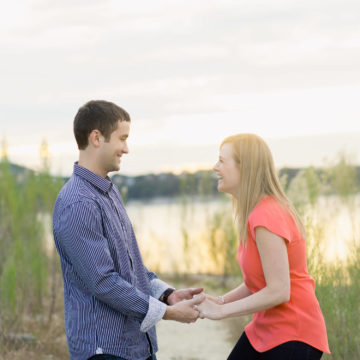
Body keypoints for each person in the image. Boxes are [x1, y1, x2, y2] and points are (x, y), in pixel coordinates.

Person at [52, 100, 204, 360]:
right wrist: (166, 313)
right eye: (122, 139)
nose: (127, 148)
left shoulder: (109, 192)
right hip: (104, 350)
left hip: (135, 345)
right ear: (97, 138)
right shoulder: (77, 203)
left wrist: (167, 296)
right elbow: (104, 282)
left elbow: (130, 269)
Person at [197, 133, 330, 360]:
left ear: (245, 168)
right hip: (266, 328)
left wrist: (221, 311)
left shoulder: (266, 215)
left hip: (294, 334)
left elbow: (279, 290)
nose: (215, 166)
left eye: (221, 160)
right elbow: (256, 282)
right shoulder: (256, 212)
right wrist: (219, 301)